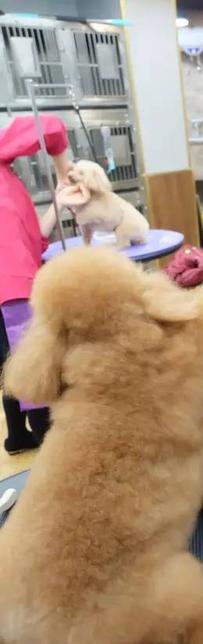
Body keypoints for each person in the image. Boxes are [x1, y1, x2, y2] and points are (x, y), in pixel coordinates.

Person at [0, 114, 77, 454]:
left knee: (11, 363)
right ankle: (53, 450)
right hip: (13, 290)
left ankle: (17, 437)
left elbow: (29, 242)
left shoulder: (6, 184)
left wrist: (58, 202)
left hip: (11, 284)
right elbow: (51, 126)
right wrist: (65, 170)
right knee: (37, 370)